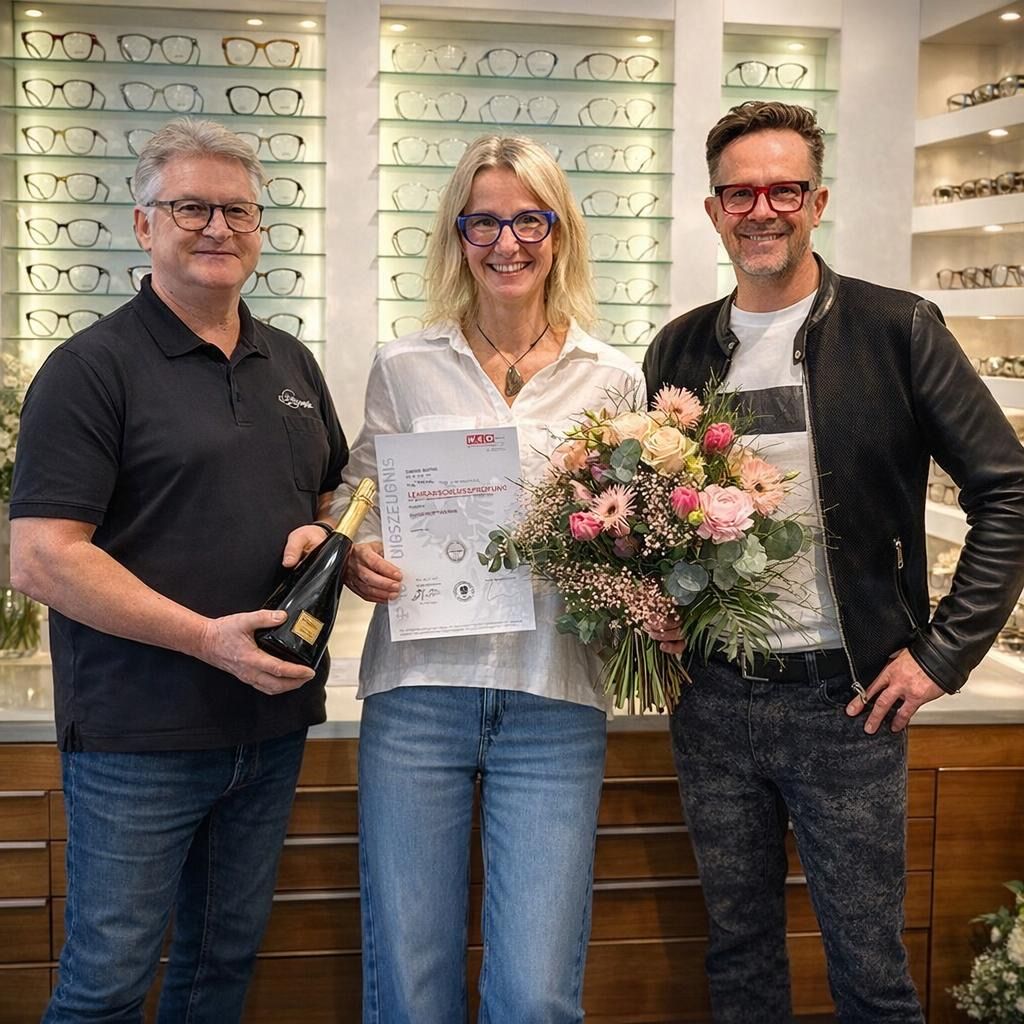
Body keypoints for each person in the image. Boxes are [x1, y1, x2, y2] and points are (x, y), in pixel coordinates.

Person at [642, 100, 1024, 1024]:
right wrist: (652, 605)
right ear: (713, 209)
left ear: (817, 202)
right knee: (738, 956)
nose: (761, 211)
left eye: (784, 190)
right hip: (713, 699)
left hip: (848, 702)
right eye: (740, 193)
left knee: (869, 972)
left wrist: (941, 655)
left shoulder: (898, 328)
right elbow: (654, 513)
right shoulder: (679, 346)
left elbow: (1009, 492)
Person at [9, 118, 348, 1022]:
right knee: (107, 984)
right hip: (139, 738)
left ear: (261, 228)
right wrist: (205, 639)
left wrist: (326, 533)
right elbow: (41, 557)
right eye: (191, 207)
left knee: (218, 970)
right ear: (143, 224)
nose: (217, 227)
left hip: (268, 726)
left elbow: (332, 499)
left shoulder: (291, 363)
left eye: (238, 210)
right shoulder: (91, 370)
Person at [337, 134, 644, 1023]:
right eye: (484, 223)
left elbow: (636, 535)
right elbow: (359, 499)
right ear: (458, 235)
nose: (507, 243)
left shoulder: (615, 379)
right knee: (410, 981)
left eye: (528, 221)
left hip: (555, 697)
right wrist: (356, 553)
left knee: (536, 993)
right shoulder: (404, 365)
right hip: (417, 695)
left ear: (559, 232)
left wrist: (638, 563)